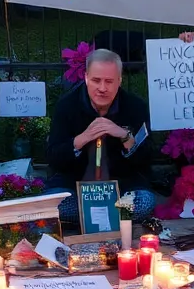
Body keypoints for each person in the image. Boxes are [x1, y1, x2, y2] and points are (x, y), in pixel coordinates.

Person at [46, 49, 154, 227]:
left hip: (122, 188)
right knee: (54, 206)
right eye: (96, 80)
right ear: (86, 77)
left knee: (144, 203)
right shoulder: (67, 105)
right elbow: (53, 157)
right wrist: (82, 138)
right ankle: (108, 218)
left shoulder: (135, 106)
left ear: (119, 80)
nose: (102, 88)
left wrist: (124, 136)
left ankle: (94, 217)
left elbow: (147, 159)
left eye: (109, 81)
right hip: (75, 186)